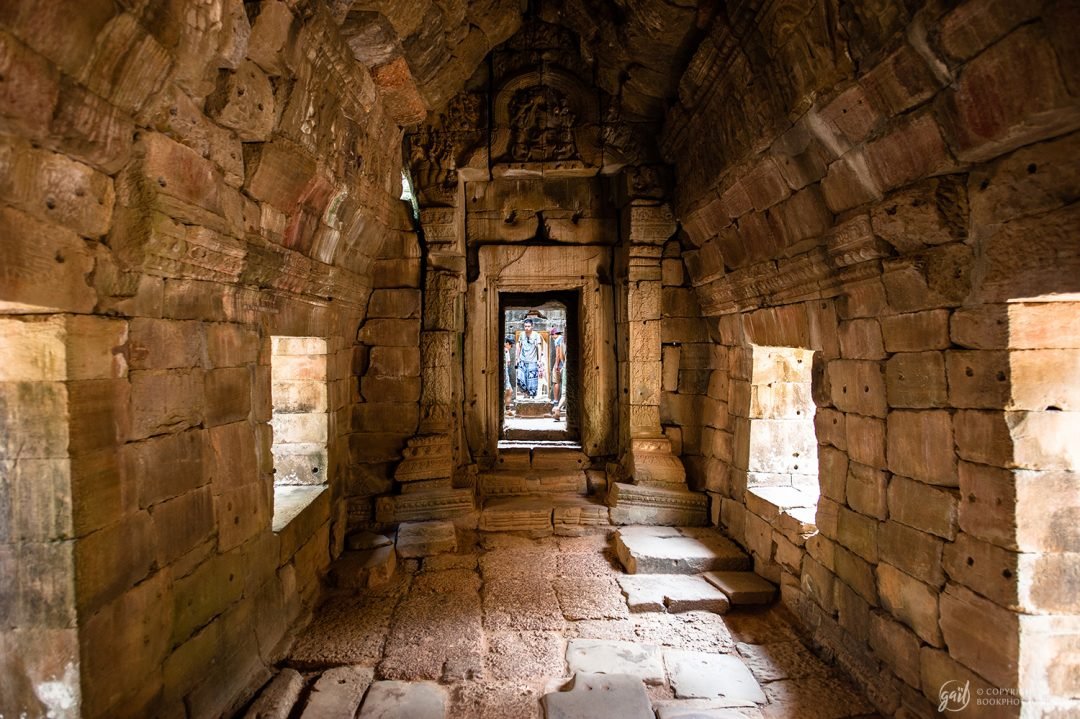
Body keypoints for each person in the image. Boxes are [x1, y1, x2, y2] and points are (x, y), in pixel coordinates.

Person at [515, 318, 544, 398]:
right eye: (525, 326)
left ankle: (532, 396)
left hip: (532, 361)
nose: (526, 328)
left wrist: (539, 360)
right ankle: (526, 394)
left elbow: (539, 347)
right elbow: (519, 346)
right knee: (521, 379)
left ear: (532, 326)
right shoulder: (521, 334)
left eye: (528, 326)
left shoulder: (536, 335)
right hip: (523, 360)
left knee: (532, 381)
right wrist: (517, 358)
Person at [550, 327, 565, 419]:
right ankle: (561, 403)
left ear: (554, 334)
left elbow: (558, 354)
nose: (552, 337)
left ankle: (556, 402)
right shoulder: (563, 338)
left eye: (552, 335)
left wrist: (556, 364)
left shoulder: (557, 340)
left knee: (556, 381)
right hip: (564, 364)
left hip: (560, 364)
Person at [503, 335, 515, 415]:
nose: (511, 347)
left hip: (505, 371)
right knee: (507, 390)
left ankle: (507, 408)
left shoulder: (506, 351)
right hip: (504, 372)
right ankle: (505, 409)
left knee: (510, 391)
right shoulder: (505, 350)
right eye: (511, 345)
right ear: (507, 343)